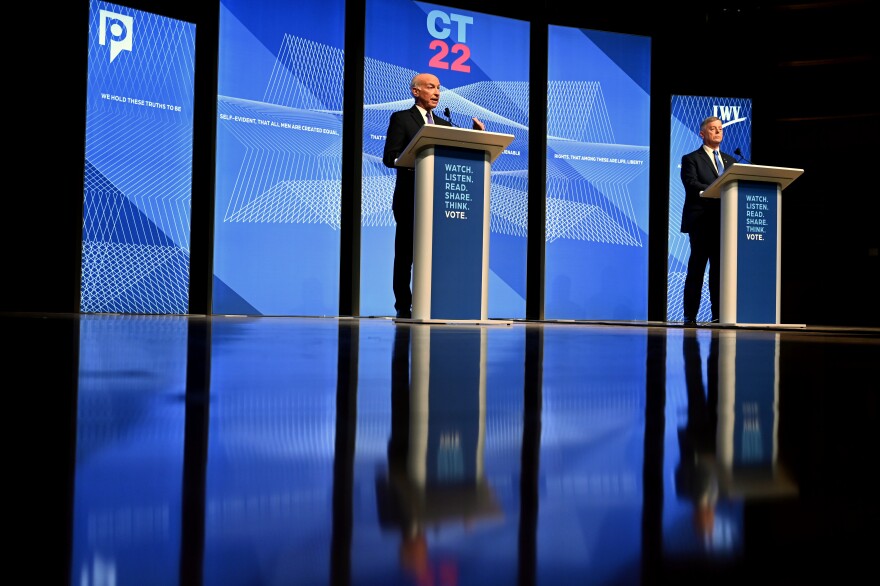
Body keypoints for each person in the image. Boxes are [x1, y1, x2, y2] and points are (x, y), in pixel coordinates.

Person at [382, 73, 485, 319]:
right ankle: (403, 306)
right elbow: (390, 157)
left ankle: (436, 302)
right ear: (416, 91)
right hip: (411, 199)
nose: (437, 92)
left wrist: (475, 136)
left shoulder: (444, 124)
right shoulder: (401, 119)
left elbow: (458, 151)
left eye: (439, 87)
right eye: (431, 87)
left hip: (439, 201)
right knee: (406, 254)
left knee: (437, 254)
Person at [679, 115, 736, 326]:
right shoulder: (691, 159)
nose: (718, 132)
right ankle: (690, 316)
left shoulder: (731, 161)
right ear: (702, 134)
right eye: (713, 129)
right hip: (701, 221)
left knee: (719, 272)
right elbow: (691, 184)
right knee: (697, 270)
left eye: (720, 128)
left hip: (724, 224)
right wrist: (713, 190)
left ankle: (718, 315)